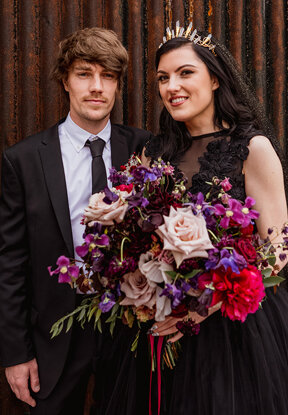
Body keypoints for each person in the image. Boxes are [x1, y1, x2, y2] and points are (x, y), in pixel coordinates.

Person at [99, 25, 288, 414]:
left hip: (233, 332)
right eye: (163, 78)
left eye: (186, 73)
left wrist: (209, 301)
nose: (172, 86)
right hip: (162, 326)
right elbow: (136, 235)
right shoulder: (154, 152)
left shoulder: (252, 149)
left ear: (215, 78)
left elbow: (278, 249)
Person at [0, 27, 151, 414]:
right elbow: (10, 262)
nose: (96, 87)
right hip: (54, 333)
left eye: (109, 76)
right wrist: (15, 353)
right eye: (85, 73)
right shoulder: (24, 159)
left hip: (129, 328)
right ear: (65, 80)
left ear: (118, 84)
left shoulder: (144, 148)